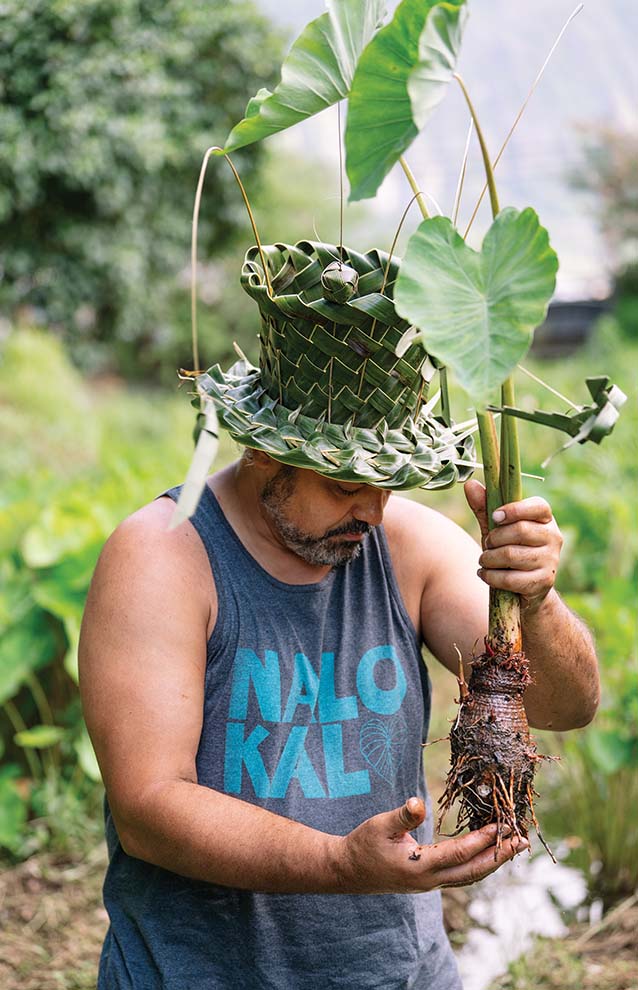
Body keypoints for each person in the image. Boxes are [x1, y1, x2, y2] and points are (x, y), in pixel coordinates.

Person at [79, 243, 599, 989]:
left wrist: (538, 599)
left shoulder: (407, 544)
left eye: (386, 481)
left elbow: (564, 707)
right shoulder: (163, 558)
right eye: (345, 483)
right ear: (267, 452)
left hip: (401, 973)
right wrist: (336, 864)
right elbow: (149, 808)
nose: (373, 508)